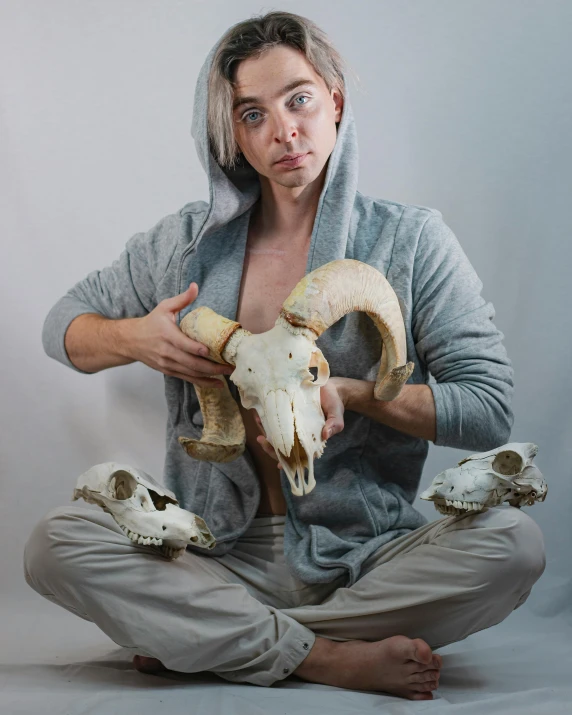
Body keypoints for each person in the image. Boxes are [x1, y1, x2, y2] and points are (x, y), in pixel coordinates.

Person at [24, 11, 545, 701]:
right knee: (56, 544)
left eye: (298, 98)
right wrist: (134, 338)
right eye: (252, 114)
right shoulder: (181, 245)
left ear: (334, 97)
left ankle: (208, 638)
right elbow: (62, 328)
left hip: (361, 558)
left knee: (514, 543)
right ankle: (320, 653)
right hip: (213, 554)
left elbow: (488, 410)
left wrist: (357, 394)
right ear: (232, 135)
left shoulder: (412, 242)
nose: (283, 131)